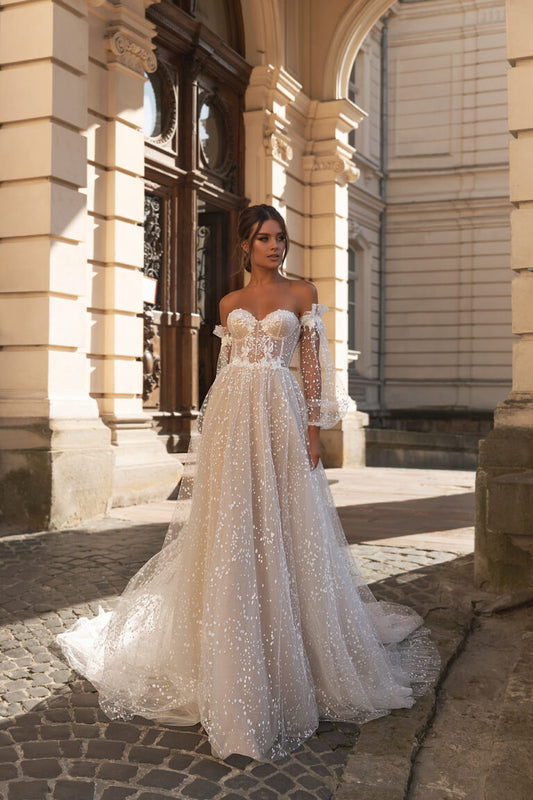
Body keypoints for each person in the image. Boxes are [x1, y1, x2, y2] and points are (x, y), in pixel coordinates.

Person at [58, 204, 439, 762]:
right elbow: (225, 368)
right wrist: (209, 434)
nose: (274, 246)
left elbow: (312, 368)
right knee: (231, 524)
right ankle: (231, 640)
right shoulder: (229, 304)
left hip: (281, 416)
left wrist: (314, 428)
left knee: (286, 520)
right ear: (244, 245)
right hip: (235, 417)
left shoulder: (303, 294)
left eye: (280, 238)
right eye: (264, 238)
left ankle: (293, 634)